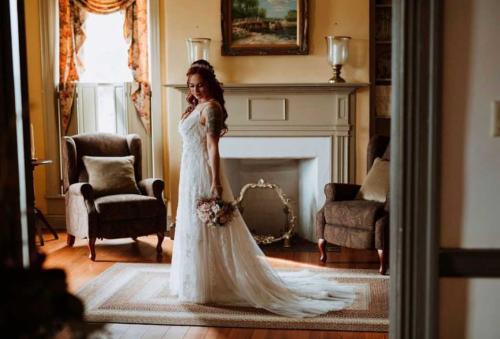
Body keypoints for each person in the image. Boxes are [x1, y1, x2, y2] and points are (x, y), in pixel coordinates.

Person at [169, 60, 355, 318]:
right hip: (188, 171)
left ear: (210, 84)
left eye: (201, 85)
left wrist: (215, 181)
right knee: (192, 225)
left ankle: (211, 283)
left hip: (202, 171)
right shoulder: (194, 107)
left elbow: (212, 147)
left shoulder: (211, 109)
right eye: (192, 85)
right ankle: (194, 279)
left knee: (208, 227)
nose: (196, 89)